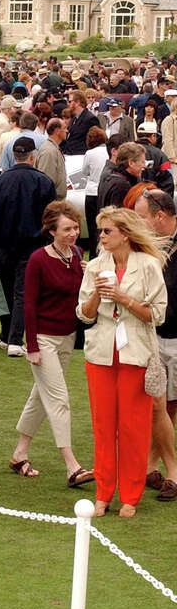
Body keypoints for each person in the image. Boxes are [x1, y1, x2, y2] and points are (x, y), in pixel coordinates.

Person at [77, 207, 168, 517]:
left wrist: (123, 298)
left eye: (107, 232)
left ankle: (130, 494)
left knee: (134, 427)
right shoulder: (95, 266)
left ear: (124, 235)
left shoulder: (149, 265)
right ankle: (103, 493)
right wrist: (96, 297)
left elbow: (157, 314)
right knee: (103, 427)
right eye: (100, 231)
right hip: (100, 353)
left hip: (136, 354)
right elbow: (84, 314)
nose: (100, 236)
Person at [8, 201, 96, 486]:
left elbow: (79, 298)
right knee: (59, 399)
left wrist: (86, 274)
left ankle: (19, 453)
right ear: (51, 230)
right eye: (67, 229)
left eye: (75, 227)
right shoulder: (38, 260)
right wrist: (31, 345)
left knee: (40, 396)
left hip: (67, 337)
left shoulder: (77, 255)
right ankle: (72, 466)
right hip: (44, 339)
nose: (73, 233)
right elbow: (29, 305)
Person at [0, 137, 58, 358]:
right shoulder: (44, 182)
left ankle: (8, 336)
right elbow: (51, 218)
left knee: (8, 290)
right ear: (32, 156)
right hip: (32, 246)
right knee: (21, 292)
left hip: (4, 245)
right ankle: (12, 338)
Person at [130, 190, 177, 501]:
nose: (137, 221)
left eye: (141, 215)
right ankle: (155, 467)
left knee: (167, 406)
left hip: (174, 334)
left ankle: (160, 469)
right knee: (160, 405)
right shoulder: (147, 245)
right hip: (151, 332)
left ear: (159, 216)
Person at [81, 126, 110, 252]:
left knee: (92, 226)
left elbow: (84, 171)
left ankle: (94, 252)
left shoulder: (89, 153)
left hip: (92, 191)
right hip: (105, 191)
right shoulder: (108, 152)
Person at [98, 142, 145, 210]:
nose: (144, 166)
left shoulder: (110, 177)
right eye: (142, 162)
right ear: (131, 163)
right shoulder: (121, 186)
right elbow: (120, 216)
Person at [35, 118, 68, 198]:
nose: (67, 131)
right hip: (52, 203)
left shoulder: (52, 148)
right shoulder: (49, 152)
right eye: (64, 128)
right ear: (57, 131)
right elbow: (46, 183)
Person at [63, 91, 100, 155]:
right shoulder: (74, 118)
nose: (68, 104)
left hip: (81, 155)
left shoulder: (90, 119)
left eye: (70, 101)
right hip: (70, 155)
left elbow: (96, 141)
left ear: (77, 102)